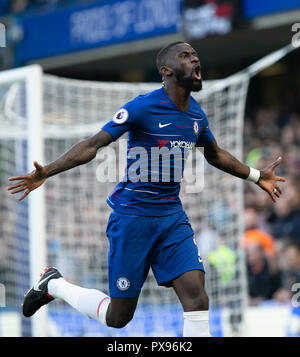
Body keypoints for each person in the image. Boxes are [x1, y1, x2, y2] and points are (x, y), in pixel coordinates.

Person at [7, 42, 286, 337]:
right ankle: (53, 284)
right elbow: (93, 145)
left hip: (171, 218)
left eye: (195, 55)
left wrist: (257, 176)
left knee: (197, 296)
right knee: (118, 317)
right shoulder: (142, 107)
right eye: (185, 56)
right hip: (132, 219)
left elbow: (215, 154)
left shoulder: (196, 116)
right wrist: (47, 171)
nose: (194, 59)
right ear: (166, 71)